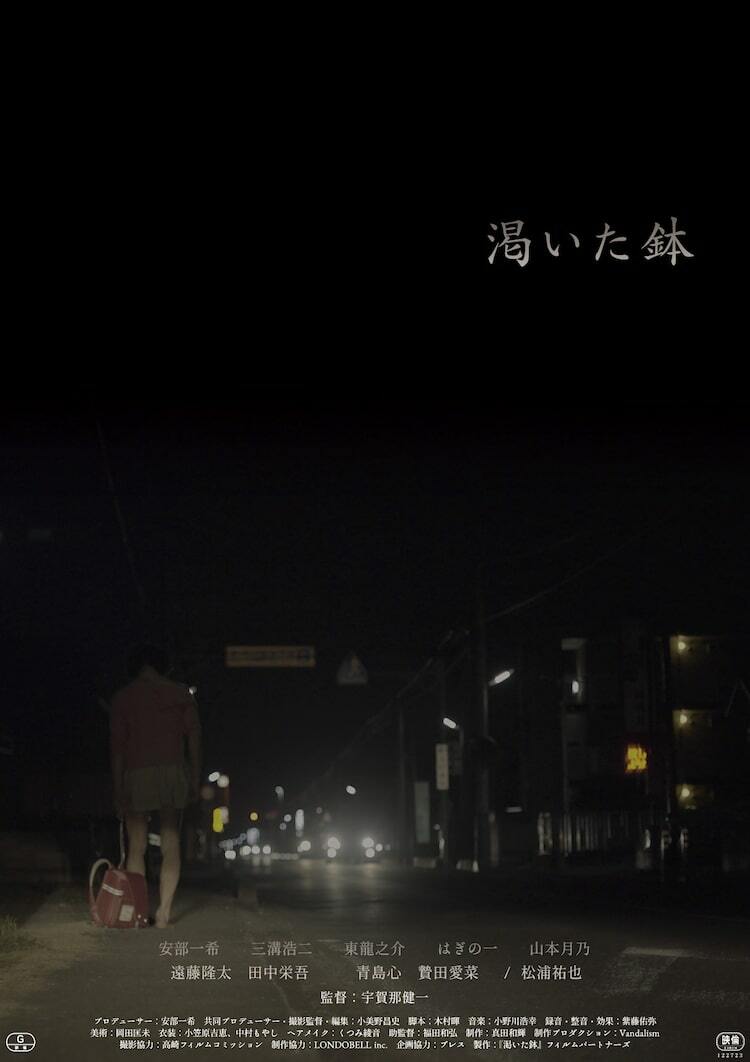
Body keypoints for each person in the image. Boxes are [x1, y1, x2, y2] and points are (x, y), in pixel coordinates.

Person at [109, 645, 202, 928]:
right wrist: (194, 778)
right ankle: (164, 912)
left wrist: (118, 787)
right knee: (170, 842)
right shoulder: (180, 694)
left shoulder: (123, 697)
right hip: (172, 771)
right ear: (164, 666)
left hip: (137, 773)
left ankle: (139, 912)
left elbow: (117, 749)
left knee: (136, 845)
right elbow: (194, 741)